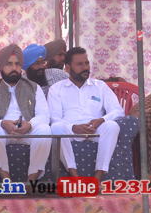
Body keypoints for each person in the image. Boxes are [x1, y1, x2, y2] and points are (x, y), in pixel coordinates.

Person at [48, 47, 125, 179]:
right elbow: (54, 118)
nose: (85, 68)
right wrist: (74, 127)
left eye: (86, 63)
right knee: (56, 128)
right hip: (70, 131)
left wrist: (101, 120)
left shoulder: (100, 86)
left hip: (95, 130)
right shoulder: (56, 89)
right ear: (68, 68)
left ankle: (97, 177)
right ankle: (75, 176)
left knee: (112, 126)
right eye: (79, 64)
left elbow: (118, 110)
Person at [0, 44, 52, 184]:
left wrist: (29, 125)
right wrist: (3, 123)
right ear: (1, 67)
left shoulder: (34, 88)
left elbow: (44, 115)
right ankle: (6, 179)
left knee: (45, 129)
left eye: (18, 64)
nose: (14, 68)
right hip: (2, 131)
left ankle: (31, 181)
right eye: (9, 64)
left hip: (27, 131)